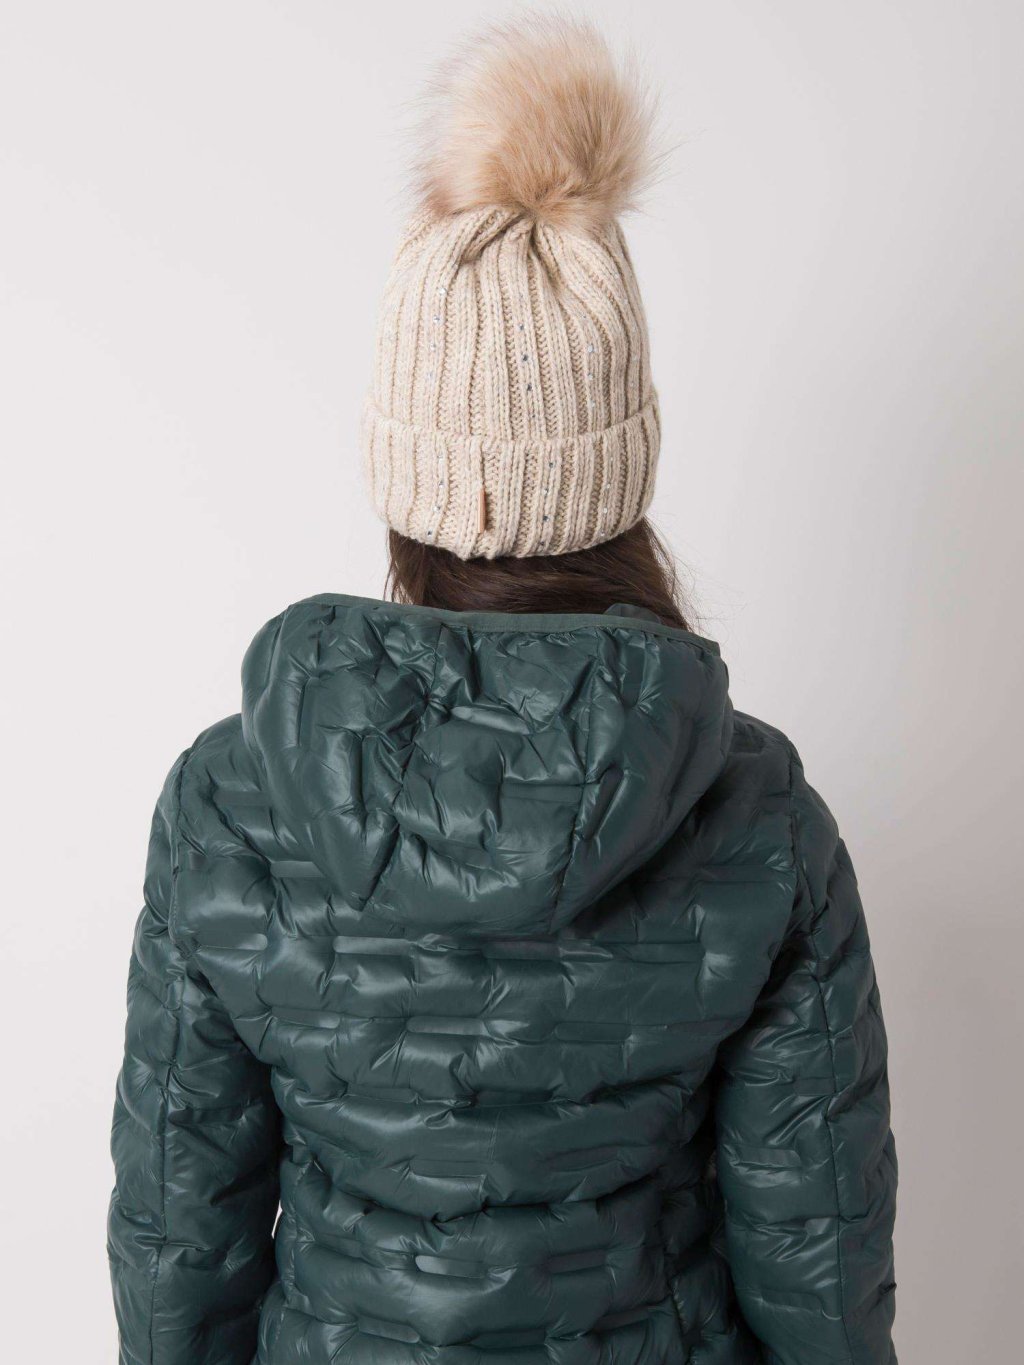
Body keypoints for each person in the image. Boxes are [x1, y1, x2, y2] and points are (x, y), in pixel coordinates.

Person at [109, 16, 897, 1364]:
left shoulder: (229, 806)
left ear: (407, 474)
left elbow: (182, 1262)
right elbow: (817, 1285)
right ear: (618, 472)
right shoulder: (763, 818)